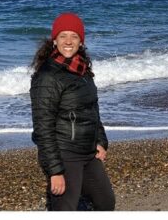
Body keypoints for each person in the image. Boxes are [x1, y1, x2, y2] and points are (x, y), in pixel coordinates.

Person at [30, 12, 115, 211]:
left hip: (88, 151)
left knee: (105, 202)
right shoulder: (47, 77)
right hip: (64, 153)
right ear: (54, 41)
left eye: (74, 36)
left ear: (81, 42)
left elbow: (92, 108)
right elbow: (43, 128)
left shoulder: (83, 70)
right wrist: (55, 171)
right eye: (63, 36)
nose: (68, 41)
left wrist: (101, 141)